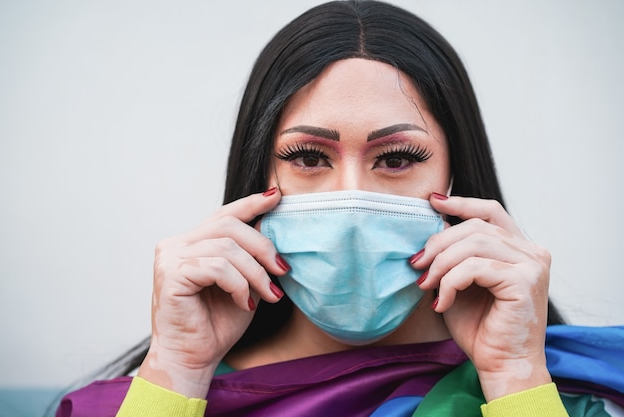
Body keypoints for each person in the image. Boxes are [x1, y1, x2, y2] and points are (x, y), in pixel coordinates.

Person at [55, 1, 624, 416]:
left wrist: (515, 378)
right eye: (307, 156)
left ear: (456, 175)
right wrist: (177, 371)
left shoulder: (577, 393)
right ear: (258, 176)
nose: (350, 198)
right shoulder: (151, 396)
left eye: (397, 157)